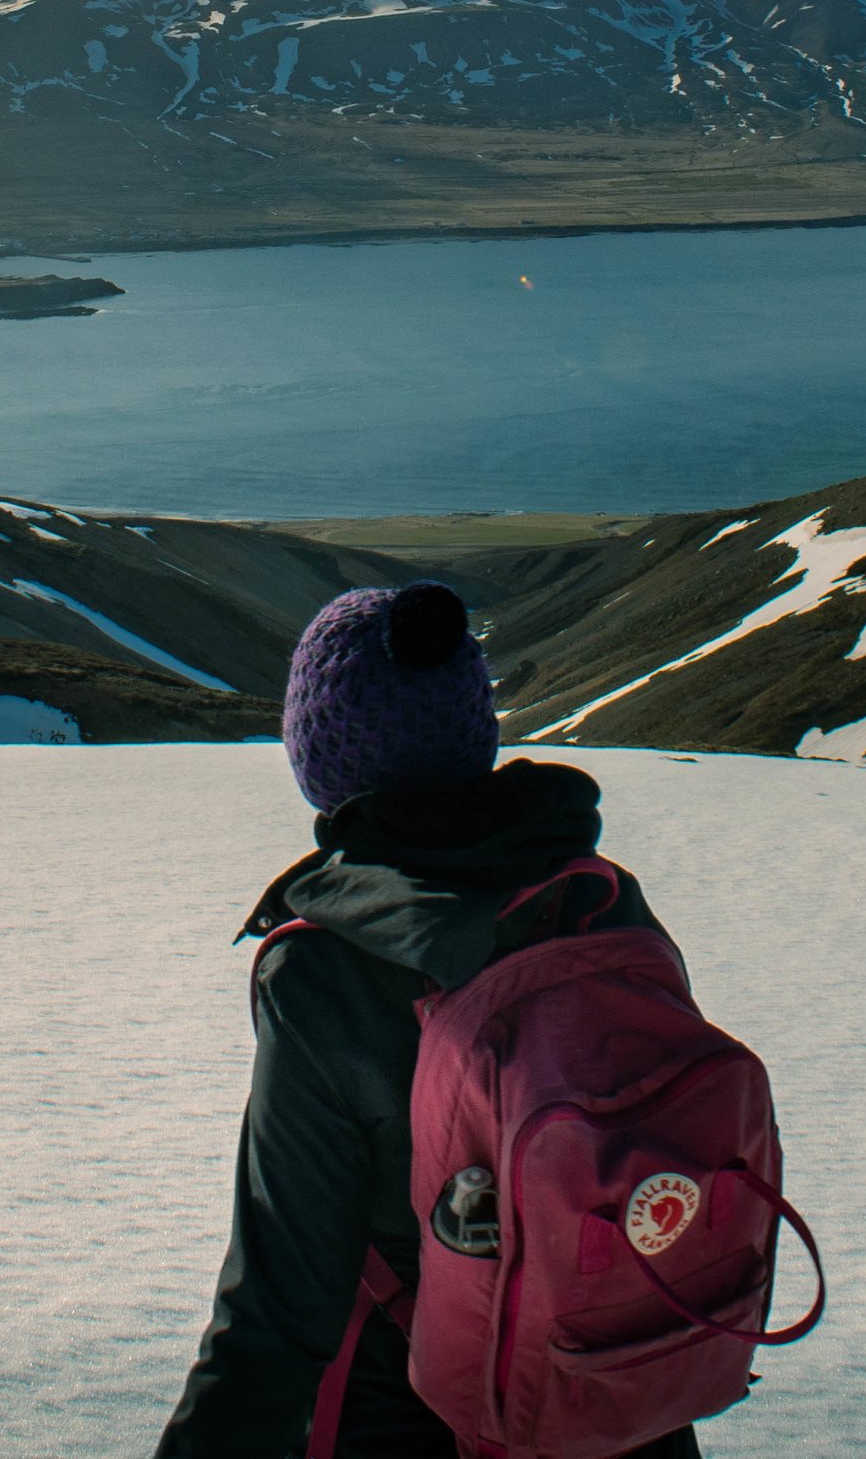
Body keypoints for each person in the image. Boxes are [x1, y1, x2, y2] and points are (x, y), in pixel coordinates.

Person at [154, 578, 700, 1459]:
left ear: (320, 752)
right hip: (623, 1399)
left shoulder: (322, 969)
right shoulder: (598, 898)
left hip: (411, 1414)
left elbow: (276, 1311)